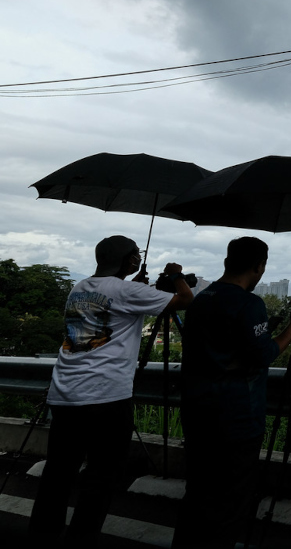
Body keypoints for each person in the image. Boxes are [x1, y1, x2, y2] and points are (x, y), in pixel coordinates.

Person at [29, 235, 193, 548]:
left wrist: (142, 286)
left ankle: (41, 535)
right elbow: (184, 300)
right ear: (128, 260)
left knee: (59, 472)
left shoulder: (80, 287)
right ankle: (82, 538)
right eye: (136, 255)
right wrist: (176, 276)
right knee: (102, 475)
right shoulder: (128, 290)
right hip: (106, 397)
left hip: (65, 393)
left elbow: (109, 315)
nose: (137, 259)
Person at [172, 236, 291, 549]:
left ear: (227, 261)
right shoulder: (249, 304)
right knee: (230, 503)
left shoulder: (201, 299)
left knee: (198, 496)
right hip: (235, 419)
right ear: (258, 266)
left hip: (197, 412)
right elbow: (261, 355)